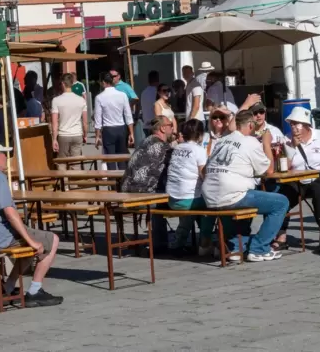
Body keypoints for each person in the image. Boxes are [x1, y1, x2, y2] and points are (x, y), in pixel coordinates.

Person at [0, 141, 62, 307]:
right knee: (51, 240)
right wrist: (32, 241)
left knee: (27, 240)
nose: (7, 159)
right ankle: (34, 290)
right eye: (4, 155)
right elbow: (10, 213)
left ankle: (8, 286)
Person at [201, 109, 287, 262]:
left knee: (233, 202)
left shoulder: (222, 140)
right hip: (232, 194)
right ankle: (259, 249)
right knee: (281, 203)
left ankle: (234, 249)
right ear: (249, 125)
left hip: (210, 195)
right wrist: (266, 143)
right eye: (252, 126)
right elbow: (269, 170)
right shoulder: (250, 141)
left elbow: (207, 169)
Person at [274, 107, 320, 254]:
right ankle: (281, 237)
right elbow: (284, 168)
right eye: (291, 124)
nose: (294, 127)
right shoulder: (287, 139)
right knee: (281, 197)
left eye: (297, 123)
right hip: (298, 180)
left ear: (306, 125)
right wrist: (292, 147)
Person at [165, 119, 214, 256]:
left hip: (172, 199)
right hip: (187, 201)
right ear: (200, 135)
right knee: (212, 204)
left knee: (192, 202)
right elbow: (205, 176)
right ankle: (205, 243)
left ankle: (179, 242)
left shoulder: (177, 149)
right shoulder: (198, 151)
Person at [121, 115, 174, 194]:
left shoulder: (144, 142)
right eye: (171, 125)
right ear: (163, 128)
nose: (173, 128)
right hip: (145, 195)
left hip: (126, 190)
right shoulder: (164, 147)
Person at [94, 73, 134, 170]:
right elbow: (128, 115)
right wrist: (131, 133)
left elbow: (98, 119)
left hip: (108, 130)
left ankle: (113, 183)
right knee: (122, 157)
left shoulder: (99, 97)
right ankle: (122, 181)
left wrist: (97, 135)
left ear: (103, 82)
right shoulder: (122, 95)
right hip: (121, 128)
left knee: (110, 158)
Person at [51, 73, 87, 167]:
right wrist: (85, 135)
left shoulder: (56, 100)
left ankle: (64, 181)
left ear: (63, 84)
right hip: (77, 134)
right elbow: (85, 122)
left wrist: (54, 139)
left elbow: (54, 123)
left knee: (62, 164)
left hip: (63, 135)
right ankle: (74, 181)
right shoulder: (81, 100)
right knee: (76, 164)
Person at [140, 71, 160, 136]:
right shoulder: (157, 92)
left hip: (146, 125)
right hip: (155, 125)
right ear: (158, 79)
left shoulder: (143, 92)